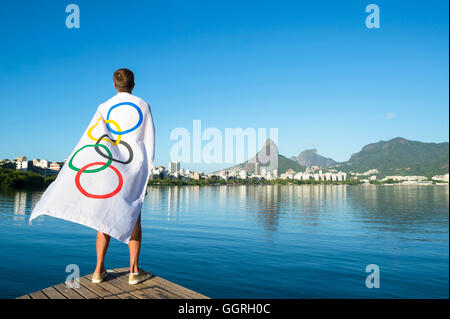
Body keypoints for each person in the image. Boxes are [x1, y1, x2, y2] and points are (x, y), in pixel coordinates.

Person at [91, 68, 152, 285]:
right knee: (134, 215)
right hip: (132, 169)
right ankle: (134, 271)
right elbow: (148, 141)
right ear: (133, 85)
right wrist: (146, 171)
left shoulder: (103, 107)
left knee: (103, 217)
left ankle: (98, 271)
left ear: (114, 85)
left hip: (107, 169)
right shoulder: (142, 105)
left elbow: (94, 140)